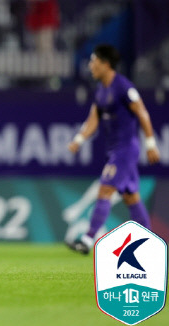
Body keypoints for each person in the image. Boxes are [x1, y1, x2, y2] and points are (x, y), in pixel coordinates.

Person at [66, 44, 160, 254]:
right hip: (115, 150)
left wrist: (151, 143)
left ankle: (88, 239)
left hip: (125, 150)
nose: (90, 66)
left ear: (105, 64)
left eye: (93, 61)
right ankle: (151, 244)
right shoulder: (101, 90)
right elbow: (93, 119)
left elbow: (142, 112)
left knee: (105, 188)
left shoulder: (123, 87)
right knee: (131, 197)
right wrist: (79, 140)